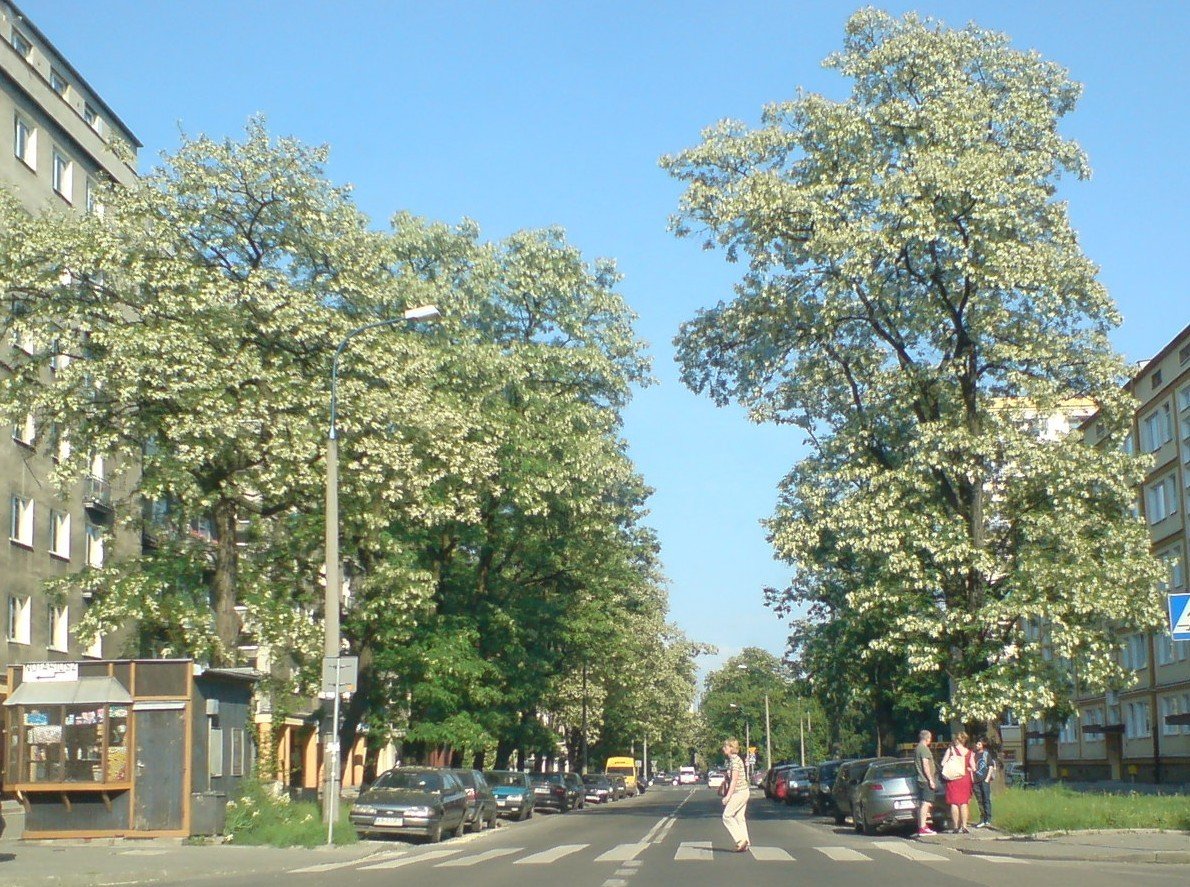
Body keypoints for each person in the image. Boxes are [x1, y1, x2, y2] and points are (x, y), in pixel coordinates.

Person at [940, 732, 975, 833]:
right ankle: (964, 826)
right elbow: (973, 767)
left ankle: (955, 826)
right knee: (964, 803)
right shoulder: (969, 752)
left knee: (954, 803)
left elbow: (943, 763)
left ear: (956, 740)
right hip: (965, 778)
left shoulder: (951, 750)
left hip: (953, 779)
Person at [720, 737, 751, 852]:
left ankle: (740, 840)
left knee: (727, 816)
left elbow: (734, 780)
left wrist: (728, 796)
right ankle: (745, 842)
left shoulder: (735, 761)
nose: (723, 749)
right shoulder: (736, 760)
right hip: (743, 791)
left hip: (739, 792)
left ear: (731, 748)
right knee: (739, 818)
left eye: (726, 747)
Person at [913, 729, 938, 837]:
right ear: (927, 738)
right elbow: (925, 765)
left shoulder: (918, 748)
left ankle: (922, 826)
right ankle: (923, 827)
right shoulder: (924, 749)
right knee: (926, 803)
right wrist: (930, 780)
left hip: (921, 779)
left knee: (923, 803)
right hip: (925, 780)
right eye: (930, 737)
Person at [972, 736, 994, 828]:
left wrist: (987, 779)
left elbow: (990, 766)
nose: (977, 745)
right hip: (976, 781)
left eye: (979, 744)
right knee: (979, 800)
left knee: (986, 799)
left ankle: (988, 819)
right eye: (977, 744)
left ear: (983, 745)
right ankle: (982, 818)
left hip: (984, 780)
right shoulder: (973, 755)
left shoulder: (986, 754)